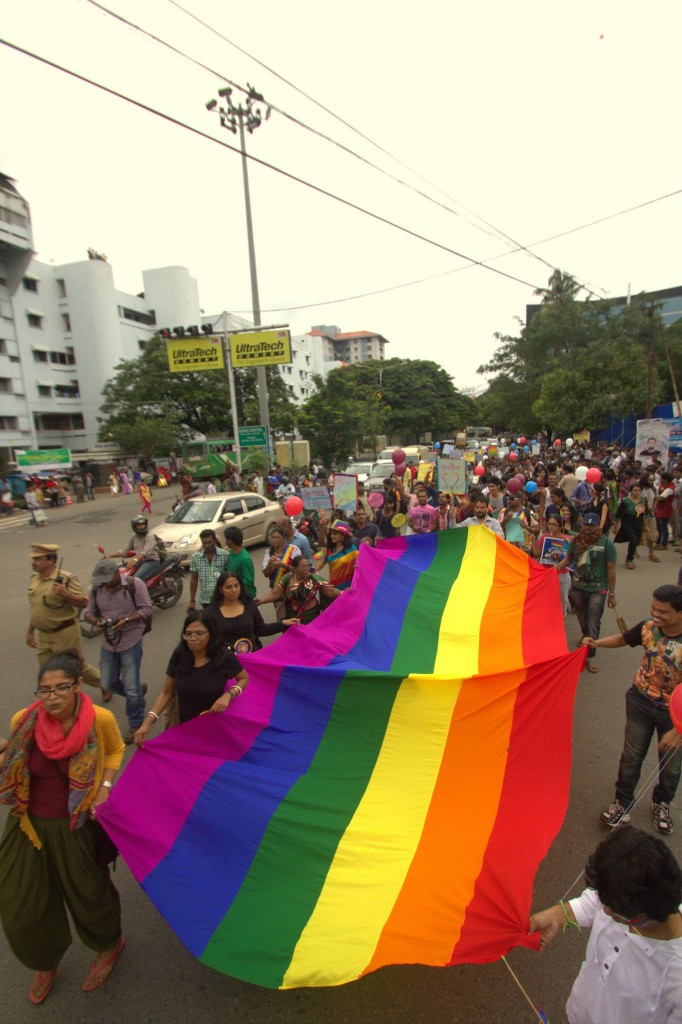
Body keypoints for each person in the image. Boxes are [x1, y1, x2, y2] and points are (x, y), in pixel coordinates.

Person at [0, 652, 126, 1005]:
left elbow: (115, 750)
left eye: (61, 688)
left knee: (89, 894)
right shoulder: (22, 720)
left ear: (78, 686)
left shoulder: (98, 720)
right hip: (27, 824)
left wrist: (103, 789)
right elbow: (14, 759)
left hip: (76, 824)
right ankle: (44, 959)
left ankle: (108, 945)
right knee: (20, 903)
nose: (52, 697)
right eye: (45, 690)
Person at [529, 826, 682, 1024]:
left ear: (642, 913)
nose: (606, 911)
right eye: (604, 899)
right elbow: (593, 902)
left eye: (612, 907)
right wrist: (556, 915)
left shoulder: (676, 980)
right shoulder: (621, 894)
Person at [585, 584, 682, 834]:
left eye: (663, 612)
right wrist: (597, 643)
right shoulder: (649, 626)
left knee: (670, 764)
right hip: (639, 701)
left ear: (680, 613)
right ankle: (622, 803)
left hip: (674, 715)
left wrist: (678, 731)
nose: (655, 615)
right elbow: (625, 638)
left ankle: (662, 803)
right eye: (653, 608)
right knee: (631, 756)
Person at [134, 612, 248, 745]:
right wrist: (148, 722)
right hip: (185, 727)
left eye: (199, 633)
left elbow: (244, 678)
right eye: (188, 634)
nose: (193, 638)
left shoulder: (223, 656)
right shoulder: (179, 655)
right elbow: (167, 692)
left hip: (216, 728)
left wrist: (228, 695)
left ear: (211, 633)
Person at [84, 560, 152, 743]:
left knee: (131, 686)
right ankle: (137, 695)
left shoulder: (134, 584)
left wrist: (127, 620)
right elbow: (88, 612)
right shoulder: (96, 589)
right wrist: (96, 622)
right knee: (107, 683)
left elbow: (146, 609)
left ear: (117, 574)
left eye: (108, 579)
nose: (105, 583)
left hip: (131, 639)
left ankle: (136, 722)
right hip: (108, 642)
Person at [26, 543, 102, 695]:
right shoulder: (35, 579)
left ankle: (106, 683)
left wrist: (65, 593)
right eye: (33, 559)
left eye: (38, 559)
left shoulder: (66, 579)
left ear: (50, 560)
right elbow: (36, 608)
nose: (33, 562)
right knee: (48, 673)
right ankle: (56, 700)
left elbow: (83, 602)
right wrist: (30, 631)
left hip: (64, 633)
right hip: (44, 635)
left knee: (76, 667)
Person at [556, 512, 617, 674]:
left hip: (598, 590)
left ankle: (589, 656)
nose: (588, 528)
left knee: (593, 621)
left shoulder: (606, 544)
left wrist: (612, 594)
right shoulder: (576, 541)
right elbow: (569, 559)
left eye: (592, 525)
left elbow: (611, 570)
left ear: (599, 526)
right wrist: (557, 567)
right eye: (586, 525)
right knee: (583, 620)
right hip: (577, 588)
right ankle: (586, 637)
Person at [204, 572, 295, 653]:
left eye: (236, 586)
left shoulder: (249, 605)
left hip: (252, 658)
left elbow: (261, 629)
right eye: (228, 587)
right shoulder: (211, 613)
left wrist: (283, 624)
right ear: (220, 590)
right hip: (226, 663)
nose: (234, 590)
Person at [257, 555, 341, 624]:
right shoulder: (287, 578)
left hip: (311, 616)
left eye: (308, 566)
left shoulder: (314, 578)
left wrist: (343, 593)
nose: (306, 569)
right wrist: (261, 601)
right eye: (303, 567)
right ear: (295, 568)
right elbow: (275, 593)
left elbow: (329, 591)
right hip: (292, 618)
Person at [530, 514, 572, 616]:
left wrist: (570, 543)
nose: (550, 526)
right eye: (549, 524)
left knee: (563, 601)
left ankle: (561, 622)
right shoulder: (544, 537)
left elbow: (575, 555)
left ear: (560, 526)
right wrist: (533, 542)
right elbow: (536, 554)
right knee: (546, 600)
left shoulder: (568, 538)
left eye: (554, 524)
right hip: (547, 573)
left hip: (562, 573)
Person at [109, 516, 161, 582]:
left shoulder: (149, 536)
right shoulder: (134, 538)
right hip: (139, 562)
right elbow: (125, 551)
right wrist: (109, 556)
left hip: (151, 562)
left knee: (134, 580)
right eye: (139, 525)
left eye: (143, 524)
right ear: (134, 527)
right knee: (121, 575)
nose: (141, 527)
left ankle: (142, 591)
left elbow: (145, 552)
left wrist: (134, 560)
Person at [188, 528, 230, 609]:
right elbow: (194, 579)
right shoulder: (196, 558)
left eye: (209, 542)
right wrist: (192, 600)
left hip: (222, 599)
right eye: (204, 543)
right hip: (205, 601)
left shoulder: (225, 555)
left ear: (215, 541)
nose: (206, 545)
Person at [317, 517, 359, 591]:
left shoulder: (352, 550)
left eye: (335, 534)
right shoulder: (329, 550)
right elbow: (321, 563)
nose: (331, 536)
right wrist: (311, 571)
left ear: (343, 536)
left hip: (347, 590)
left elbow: (360, 567)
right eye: (331, 534)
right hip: (333, 589)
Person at [613, 482, 645, 569]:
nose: (637, 492)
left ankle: (630, 557)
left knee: (636, 541)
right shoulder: (626, 501)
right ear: (631, 491)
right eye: (635, 490)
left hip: (638, 522)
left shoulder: (643, 500)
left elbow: (646, 513)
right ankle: (629, 559)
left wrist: (646, 526)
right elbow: (619, 514)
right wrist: (616, 526)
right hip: (627, 522)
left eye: (639, 490)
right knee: (633, 540)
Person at [222, 525, 256, 599]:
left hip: (245, 597)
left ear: (230, 541)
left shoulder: (245, 559)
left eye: (226, 540)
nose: (225, 542)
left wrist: (233, 583)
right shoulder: (231, 553)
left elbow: (249, 580)